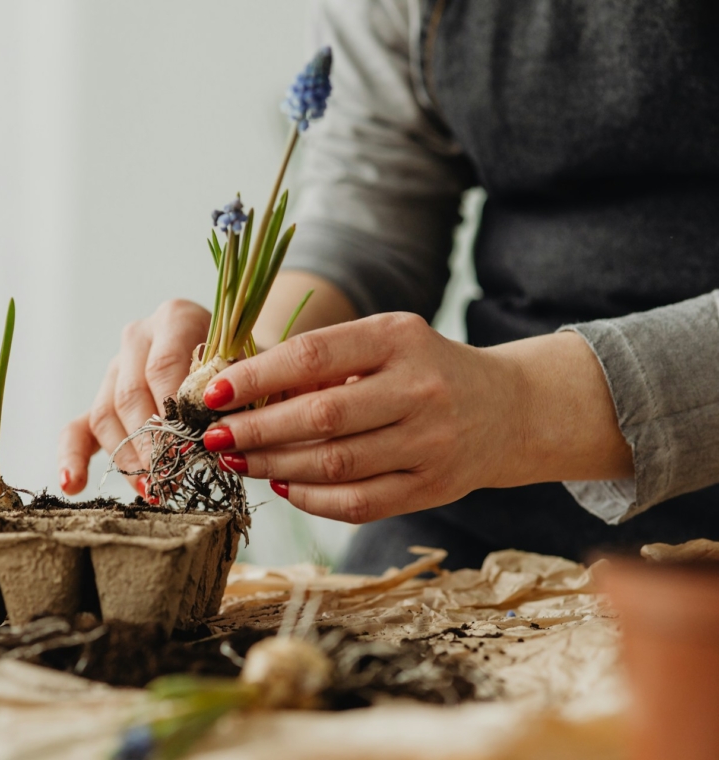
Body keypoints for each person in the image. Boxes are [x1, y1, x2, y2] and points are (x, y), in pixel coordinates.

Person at [57, 0, 719, 574]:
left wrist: (522, 409)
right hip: (475, 507)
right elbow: (373, 211)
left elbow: (509, 409)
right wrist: (253, 356)